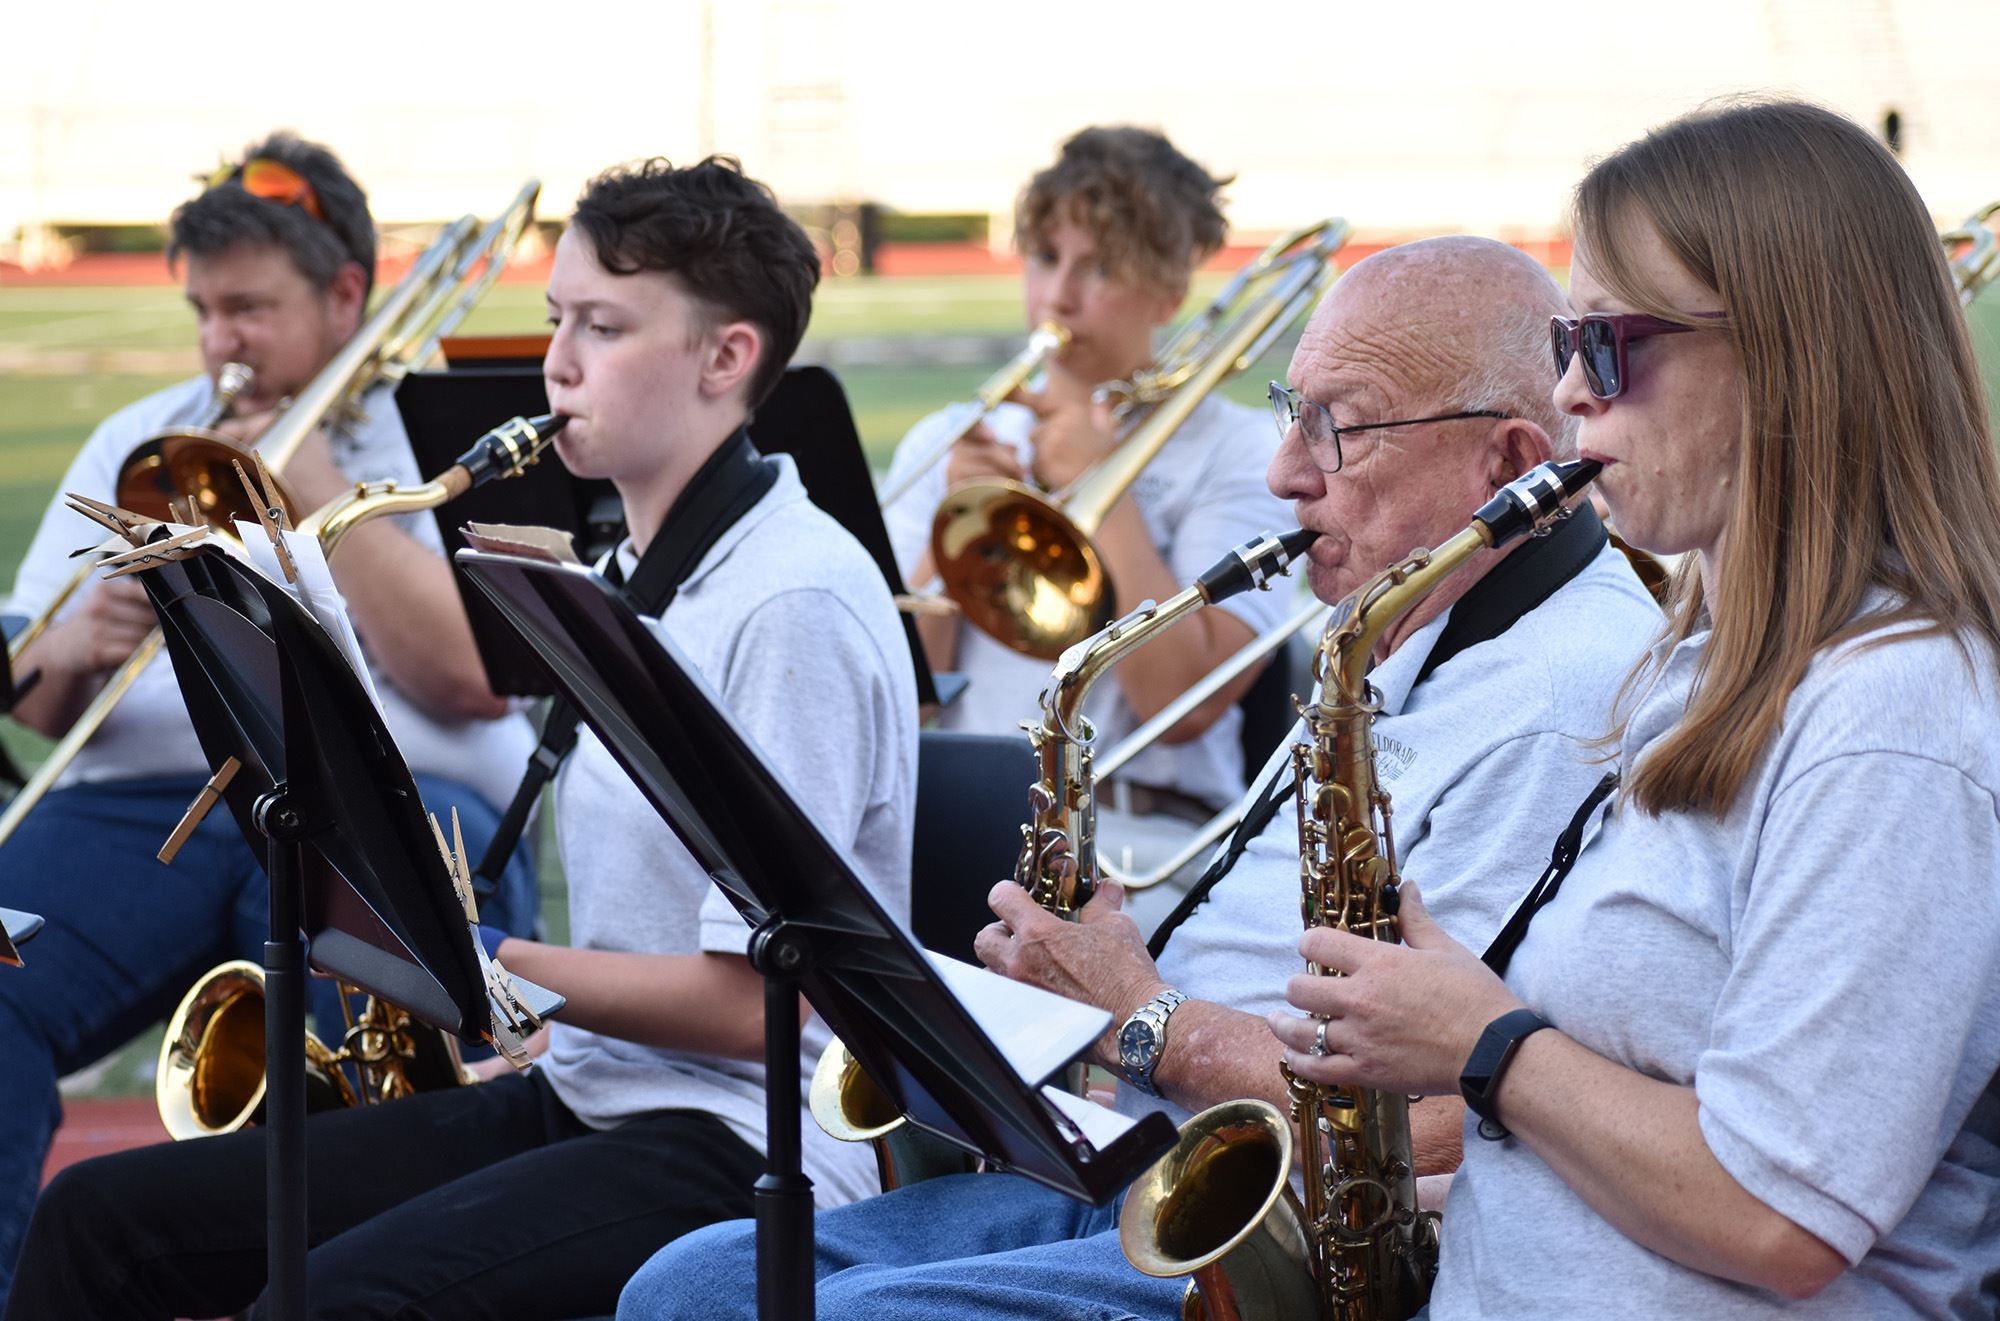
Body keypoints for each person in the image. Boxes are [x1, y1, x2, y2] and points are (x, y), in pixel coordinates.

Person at [615, 235, 1664, 1321]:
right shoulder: (1396, 625)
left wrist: (1144, 1019)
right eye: (1285, 410)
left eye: (1336, 428)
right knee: (683, 1282)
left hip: (1284, 1226)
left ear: (1508, 462)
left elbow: (1459, 1104)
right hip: (1155, 1160)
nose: (1282, 474)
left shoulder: (1566, 694)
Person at [4, 155, 920, 1321]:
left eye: (603, 326)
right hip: (598, 1093)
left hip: (742, 1142)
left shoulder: (790, 599)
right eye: (555, 320)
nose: (556, 362)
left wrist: (488, 969)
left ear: (726, 357)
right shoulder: (629, 572)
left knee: (324, 1301)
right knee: (100, 1224)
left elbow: (767, 1003)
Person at [1274, 99, 2000, 1318]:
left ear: (1785, 355)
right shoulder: (1703, 663)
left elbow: (1779, 1216)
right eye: (1566, 340)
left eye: (1605, 344)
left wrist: (1485, 1044)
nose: (1567, 393)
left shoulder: (1894, 716)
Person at [0, 132, 539, 1302]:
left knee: (354, 1072)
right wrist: (76, 652)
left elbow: (470, 681)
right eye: (203, 310)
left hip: (390, 794)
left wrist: (300, 489)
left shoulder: (439, 439)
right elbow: (35, 706)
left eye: (248, 308)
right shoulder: (142, 435)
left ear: (346, 294)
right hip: (145, 801)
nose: (217, 345)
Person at [879, 126, 1293, 923]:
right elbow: (909, 703)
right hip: (963, 809)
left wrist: (1106, 490)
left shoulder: (1241, 452)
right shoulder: (953, 437)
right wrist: (955, 536)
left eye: (1098, 269)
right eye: (1045, 259)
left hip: (1140, 837)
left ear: (1169, 291)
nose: (1057, 297)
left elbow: (1183, 703)